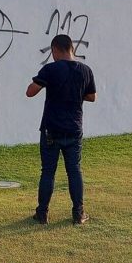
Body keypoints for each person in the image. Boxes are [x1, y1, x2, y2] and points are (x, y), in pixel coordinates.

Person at [26, 34, 97, 225]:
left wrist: (45, 83)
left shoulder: (50, 69)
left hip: (51, 128)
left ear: (55, 50)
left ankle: (42, 213)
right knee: (74, 170)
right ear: (72, 48)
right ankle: (78, 213)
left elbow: (30, 92)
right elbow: (92, 97)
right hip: (74, 128)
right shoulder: (86, 70)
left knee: (48, 171)